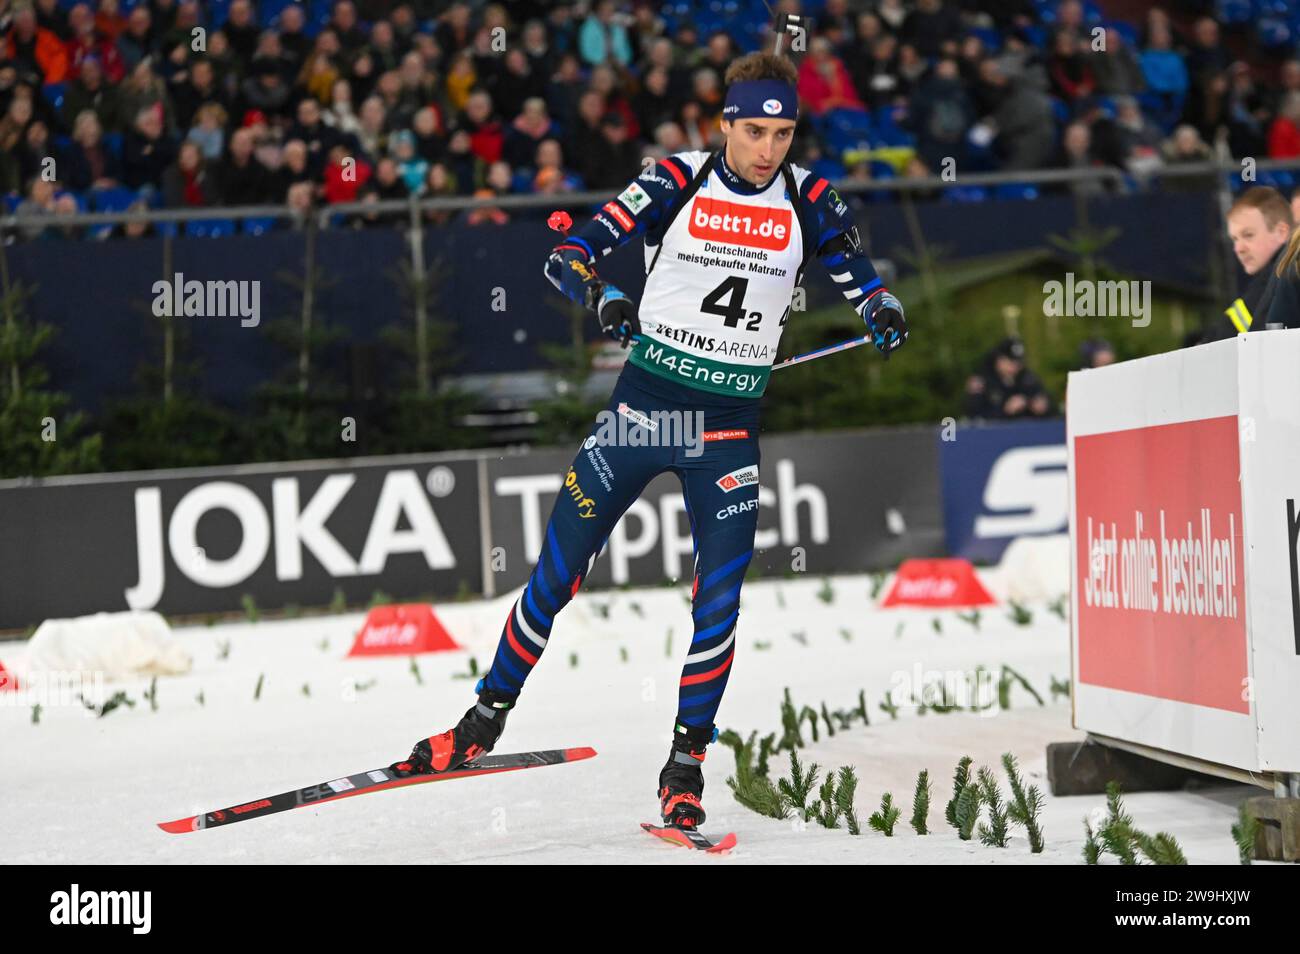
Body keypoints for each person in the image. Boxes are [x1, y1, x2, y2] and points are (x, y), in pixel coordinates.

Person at [388, 50, 907, 832]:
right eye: (755, 130)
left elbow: (862, 275)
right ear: (725, 124)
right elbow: (570, 254)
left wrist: (880, 309)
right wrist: (604, 294)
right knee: (556, 576)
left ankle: (685, 765)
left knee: (719, 602)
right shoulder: (676, 180)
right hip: (643, 411)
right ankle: (481, 723)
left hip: (728, 428)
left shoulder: (813, 200)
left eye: (784, 133)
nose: (769, 149)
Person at [1214, 186, 1293, 338]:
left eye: (1248, 235)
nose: (1238, 248)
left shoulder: (1280, 276)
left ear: (1281, 232)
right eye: (1234, 239)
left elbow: (1224, 336)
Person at [963, 336, 1053, 419]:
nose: (1015, 366)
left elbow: (1050, 405)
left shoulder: (1028, 379)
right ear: (999, 359)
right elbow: (974, 416)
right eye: (1010, 362)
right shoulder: (982, 381)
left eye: (1018, 363)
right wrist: (1005, 411)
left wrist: (1042, 407)